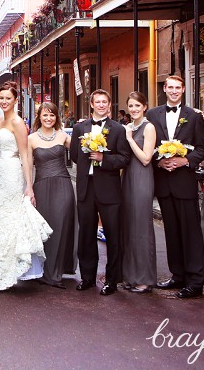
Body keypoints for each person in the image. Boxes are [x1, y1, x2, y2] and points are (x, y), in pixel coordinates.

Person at [0, 81, 51, 292]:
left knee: (10, 220)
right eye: (1, 98)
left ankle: (11, 268)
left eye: (8, 98)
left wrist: (29, 186)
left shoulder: (18, 123)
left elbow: (25, 154)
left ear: (15, 100)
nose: (4, 101)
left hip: (11, 174)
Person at [146, 75, 204, 299]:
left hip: (184, 182)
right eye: (170, 87)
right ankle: (177, 275)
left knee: (190, 232)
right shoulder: (152, 114)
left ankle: (195, 281)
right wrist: (158, 161)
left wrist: (185, 160)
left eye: (177, 88)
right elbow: (148, 145)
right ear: (164, 89)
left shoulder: (194, 116)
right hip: (164, 182)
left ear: (183, 90)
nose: (173, 91)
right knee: (171, 231)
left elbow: (202, 148)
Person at [70, 89, 130, 295]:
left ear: (109, 104)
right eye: (98, 102)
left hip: (109, 188)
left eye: (105, 101)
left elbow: (124, 158)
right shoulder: (79, 128)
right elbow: (76, 156)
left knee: (113, 234)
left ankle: (112, 280)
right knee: (86, 234)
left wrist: (104, 159)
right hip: (86, 187)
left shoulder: (118, 129)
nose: (101, 105)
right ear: (92, 104)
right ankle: (87, 277)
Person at [27, 102, 75, 288]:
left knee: (61, 226)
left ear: (57, 117)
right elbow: (28, 166)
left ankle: (57, 271)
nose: (48, 118)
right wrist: (29, 188)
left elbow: (82, 153)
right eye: (45, 115)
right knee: (43, 230)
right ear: (39, 117)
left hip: (63, 185)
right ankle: (43, 270)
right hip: (41, 186)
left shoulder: (64, 136)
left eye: (52, 115)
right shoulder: (31, 139)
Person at [122, 91, 157, 294]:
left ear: (144, 107)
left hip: (142, 176)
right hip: (127, 177)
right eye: (131, 106)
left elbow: (146, 158)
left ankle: (144, 278)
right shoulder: (130, 126)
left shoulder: (148, 127)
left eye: (137, 106)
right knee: (129, 226)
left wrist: (130, 139)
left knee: (141, 226)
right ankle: (130, 275)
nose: (134, 109)